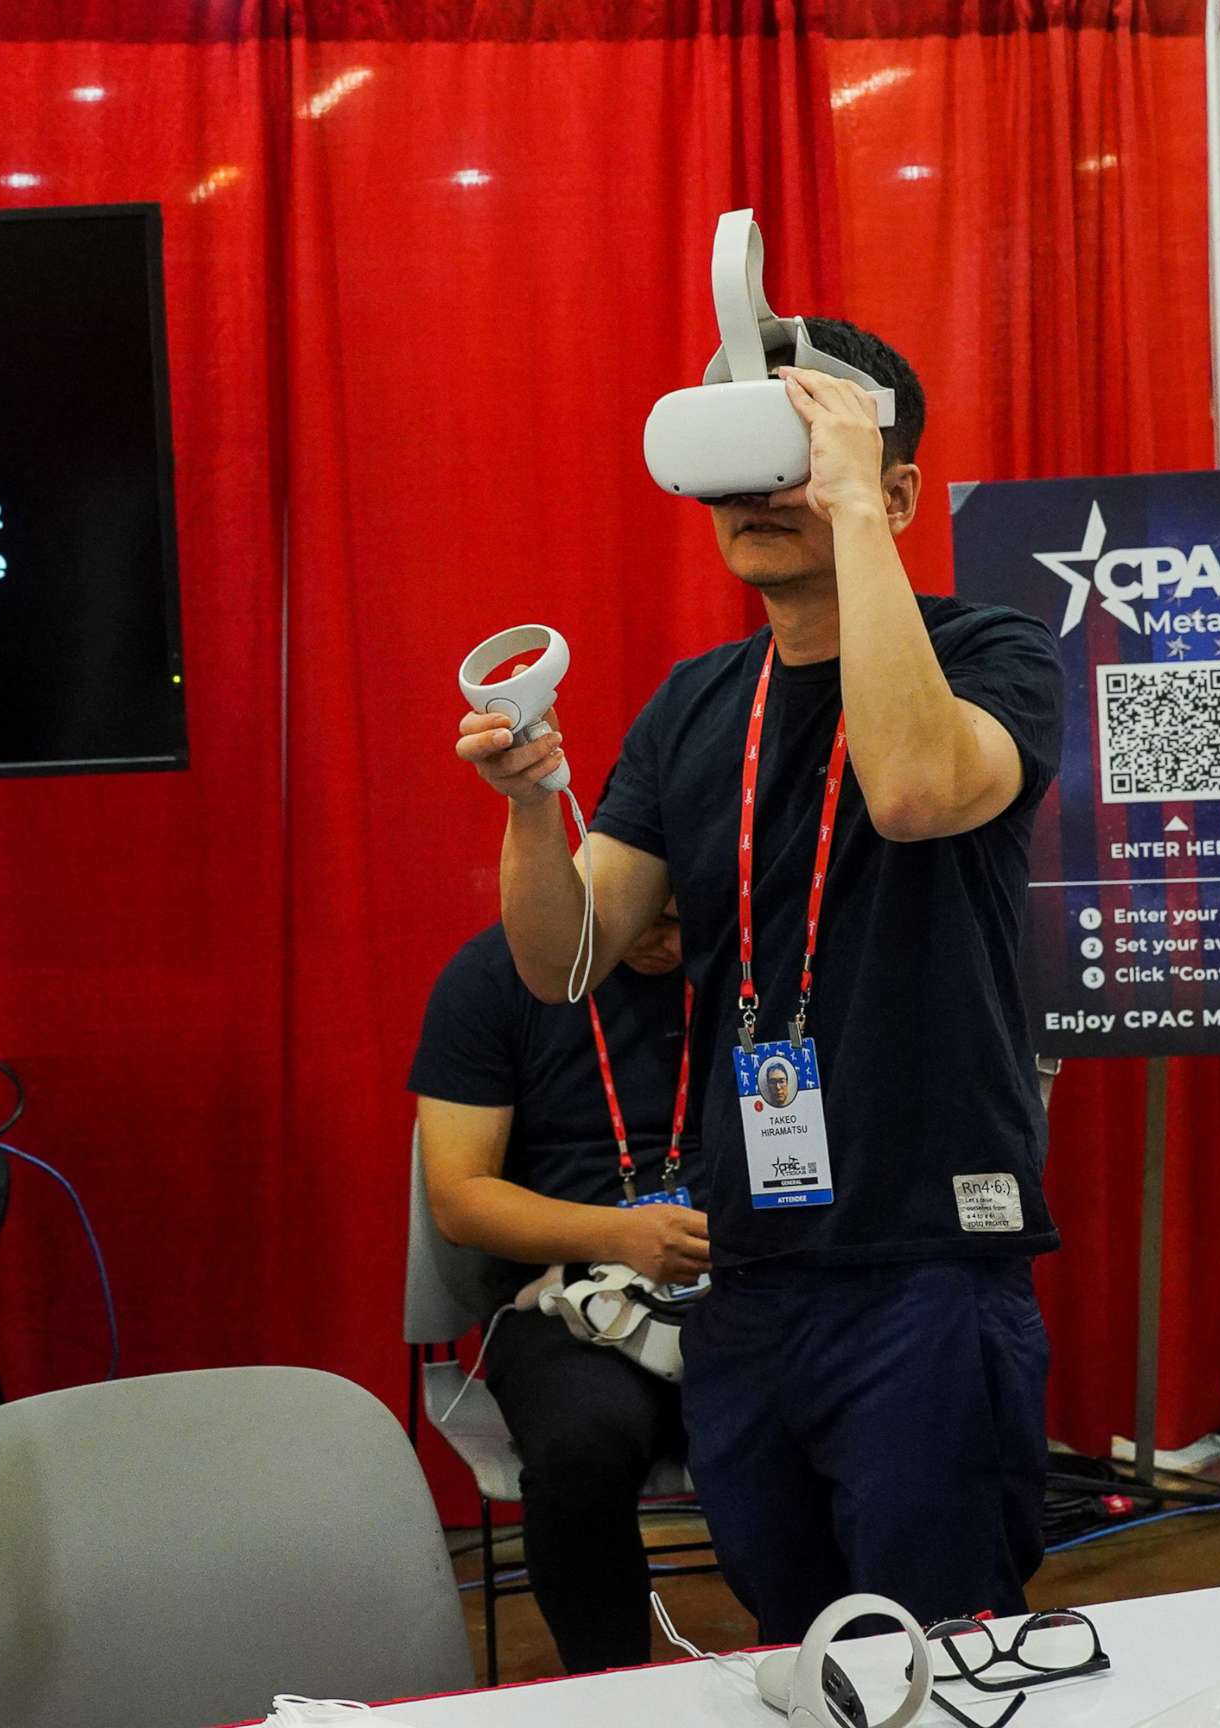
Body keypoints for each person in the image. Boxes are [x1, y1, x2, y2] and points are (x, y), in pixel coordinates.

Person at [453, 322, 1063, 1645]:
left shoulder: (997, 655)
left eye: (794, 454)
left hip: (927, 1256)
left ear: (889, 488)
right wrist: (527, 810)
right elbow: (563, 963)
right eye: (741, 457)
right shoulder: (693, 704)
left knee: (938, 1645)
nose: (757, 492)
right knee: (795, 1627)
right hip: (747, 1272)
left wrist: (851, 508)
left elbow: (908, 793)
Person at [410, 898, 706, 1675]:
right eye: (644, 913)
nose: (660, 940)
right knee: (582, 1449)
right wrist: (623, 1236)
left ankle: (817, 1663)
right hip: (563, 1297)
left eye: (682, 919)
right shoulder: (493, 980)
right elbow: (459, 1195)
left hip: (737, 1289)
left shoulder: (756, 965)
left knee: (813, 1415)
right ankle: (609, 1689)